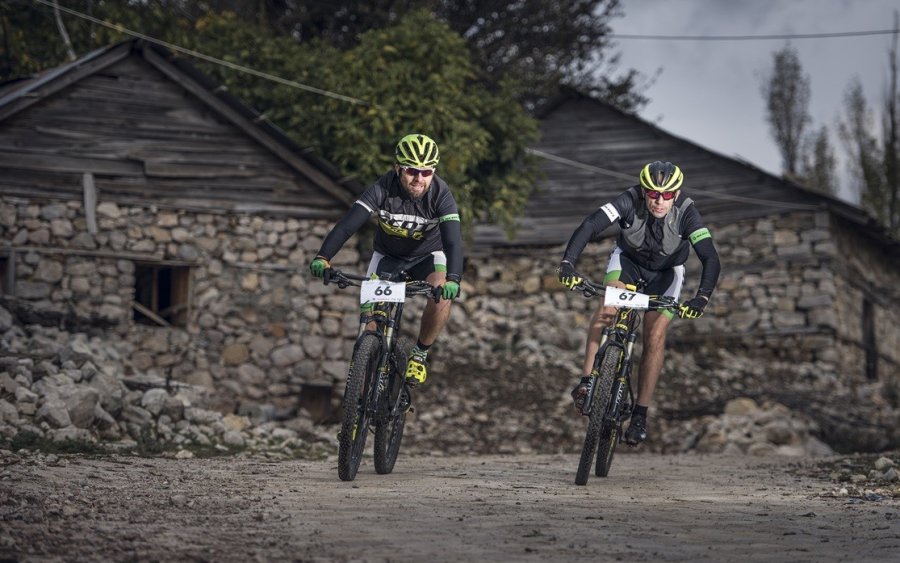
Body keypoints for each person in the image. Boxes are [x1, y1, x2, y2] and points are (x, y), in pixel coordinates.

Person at [557, 161, 720, 446]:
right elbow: (591, 224)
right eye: (653, 193)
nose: (659, 200)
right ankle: (586, 383)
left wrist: (702, 298)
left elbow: (710, 257)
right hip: (628, 262)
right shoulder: (629, 199)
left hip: (667, 272)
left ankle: (641, 413)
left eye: (667, 195)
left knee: (655, 335)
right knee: (607, 307)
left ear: (677, 194)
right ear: (644, 190)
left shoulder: (688, 213)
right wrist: (568, 263)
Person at [309, 134, 463, 386]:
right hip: (387, 257)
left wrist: (454, 279)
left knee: (442, 295)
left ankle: (420, 354)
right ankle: (356, 413)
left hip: (428, 257)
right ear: (397, 168)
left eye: (426, 172)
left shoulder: (441, 195)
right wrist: (323, 257)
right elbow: (348, 226)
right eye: (412, 170)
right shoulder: (382, 188)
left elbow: (454, 242)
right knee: (367, 329)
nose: (419, 179)